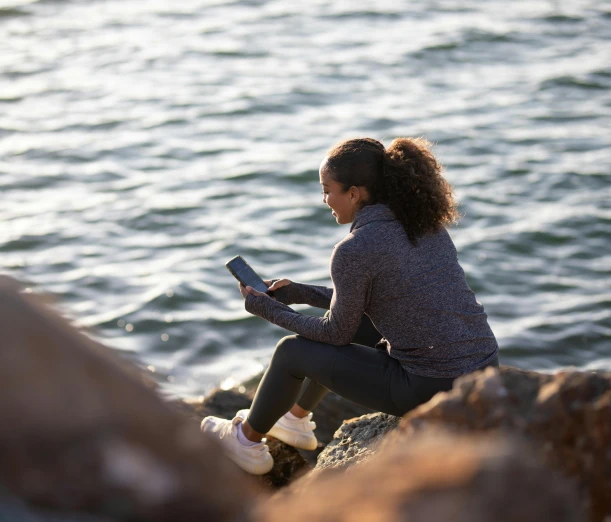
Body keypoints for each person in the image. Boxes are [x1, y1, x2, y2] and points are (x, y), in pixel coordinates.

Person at [201, 137, 499, 474]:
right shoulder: (424, 224)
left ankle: (245, 441)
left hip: (431, 388)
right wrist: (299, 292)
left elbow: (336, 332)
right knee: (352, 323)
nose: (324, 199)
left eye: (327, 189)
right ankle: (294, 420)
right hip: (484, 371)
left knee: (292, 351)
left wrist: (269, 310)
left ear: (355, 193)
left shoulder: (355, 249)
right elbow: (378, 299)